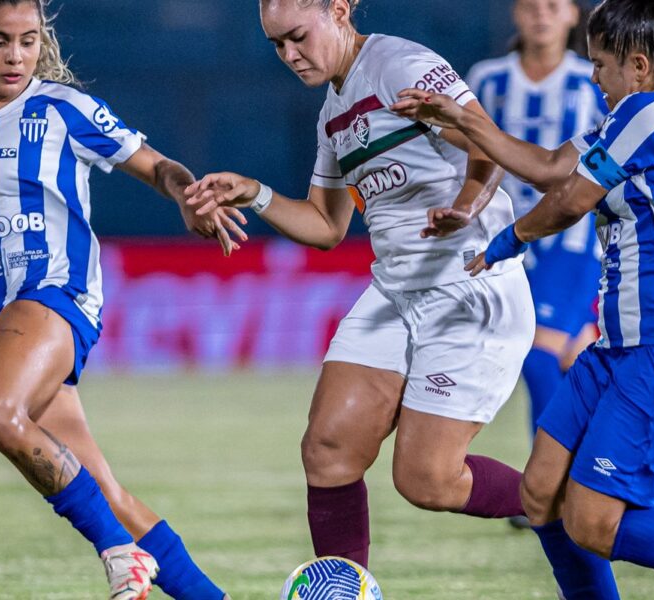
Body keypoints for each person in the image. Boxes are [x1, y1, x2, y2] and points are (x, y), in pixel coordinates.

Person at [392, 0, 654, 598]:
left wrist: (509, 239)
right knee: (540, 494)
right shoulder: (627, 117)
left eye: (602, 64)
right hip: (620, 348)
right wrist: (460, 119)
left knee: (591, 521)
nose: (592, 76)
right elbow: (550, 167)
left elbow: (569, 201)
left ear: (637, 66)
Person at [0, 1, 241, 598]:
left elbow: (158, 165)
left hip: (54, 295)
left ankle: (119, 556)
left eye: (28, 41)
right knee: (107, 493)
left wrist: (185, 193)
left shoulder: (63, 109)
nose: (16, 56)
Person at [186, 0, 534, 569]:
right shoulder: (333, 112)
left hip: (467, 285)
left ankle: (572, 507)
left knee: (428, 480)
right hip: (397, 293)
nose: (289, 55)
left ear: (340, 10)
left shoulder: (399, 64)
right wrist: (255, 193)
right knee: (328, 449)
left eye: (297, 36)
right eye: (277, 45)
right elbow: (326, 226)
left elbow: (485, 141)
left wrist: (466, 208)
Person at [466, 0, 607, 442]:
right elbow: (468, 154)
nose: (540, 15)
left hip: (574, 241)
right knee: (579, 358)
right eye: (530, 6)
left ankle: (546, 493)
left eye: (552, 6)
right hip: (509, 239)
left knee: (537, 354)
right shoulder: (487, 80)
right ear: (515, 14)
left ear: (571, 16)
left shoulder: (593, 81)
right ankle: (618, 468)